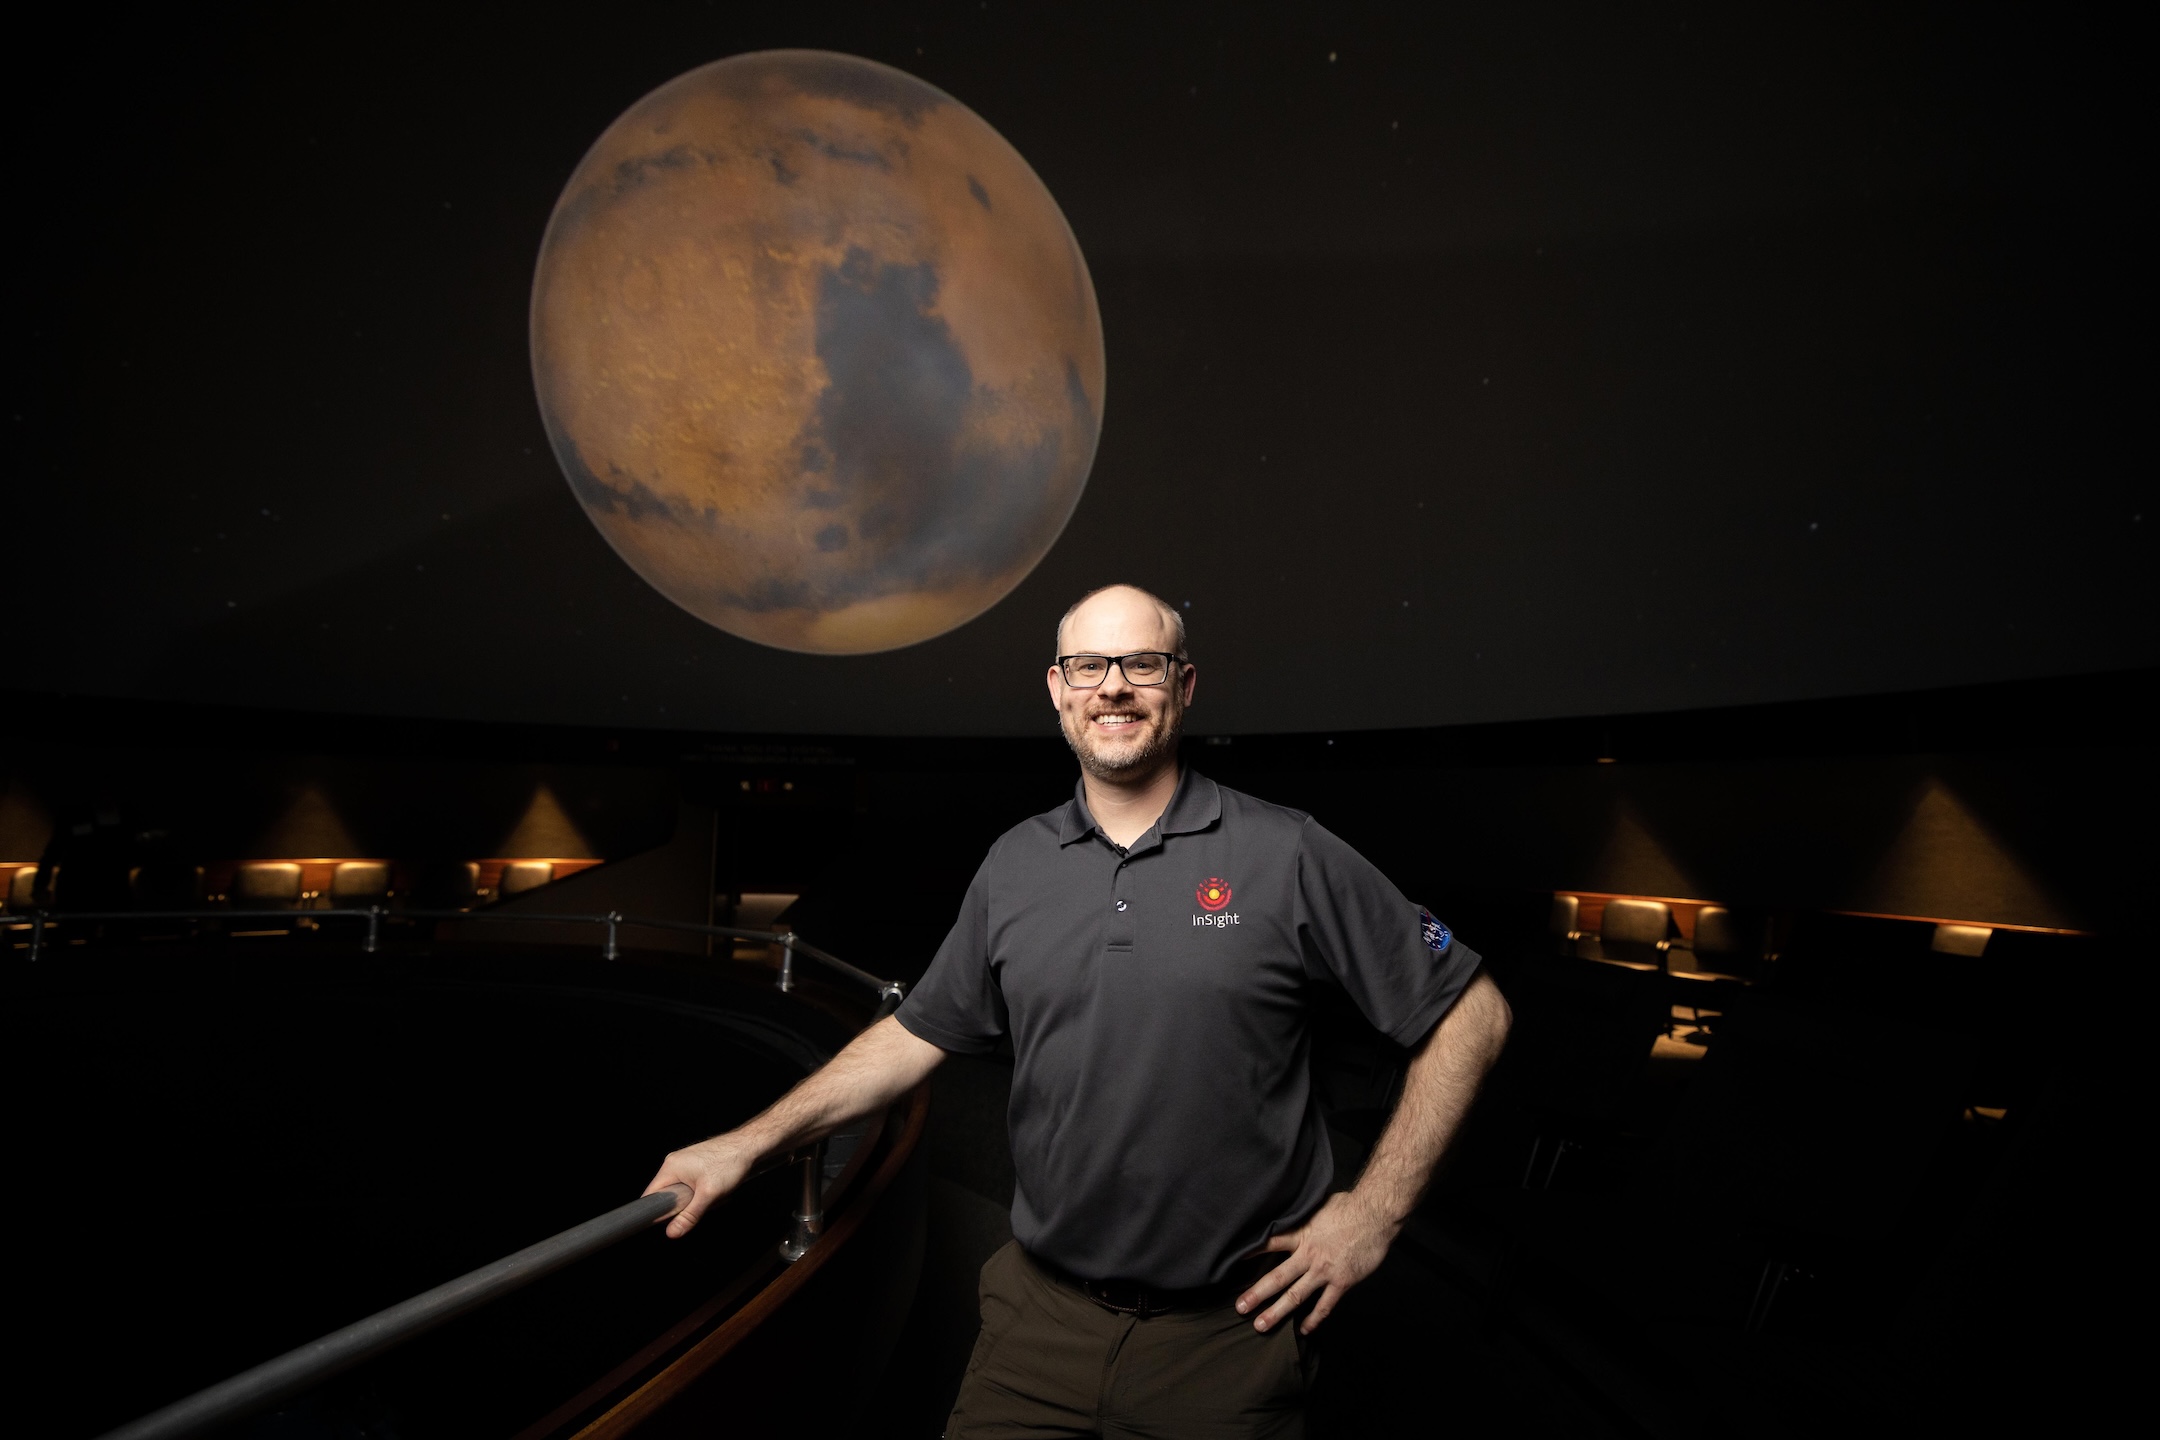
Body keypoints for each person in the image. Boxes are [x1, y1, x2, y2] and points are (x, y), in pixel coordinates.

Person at [645, 583, 1512, 1438]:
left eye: (1142, 662)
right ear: (1058, 690)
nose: (1113, 687)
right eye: (1089, 665)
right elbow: (915, 1036)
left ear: (1184, 685)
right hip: (1035, 1329)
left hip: (1227, 1342)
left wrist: (1374, 1213)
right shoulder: (1015, 864)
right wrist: (746, 1143)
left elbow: (1473, 1013)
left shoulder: (1287, 852)